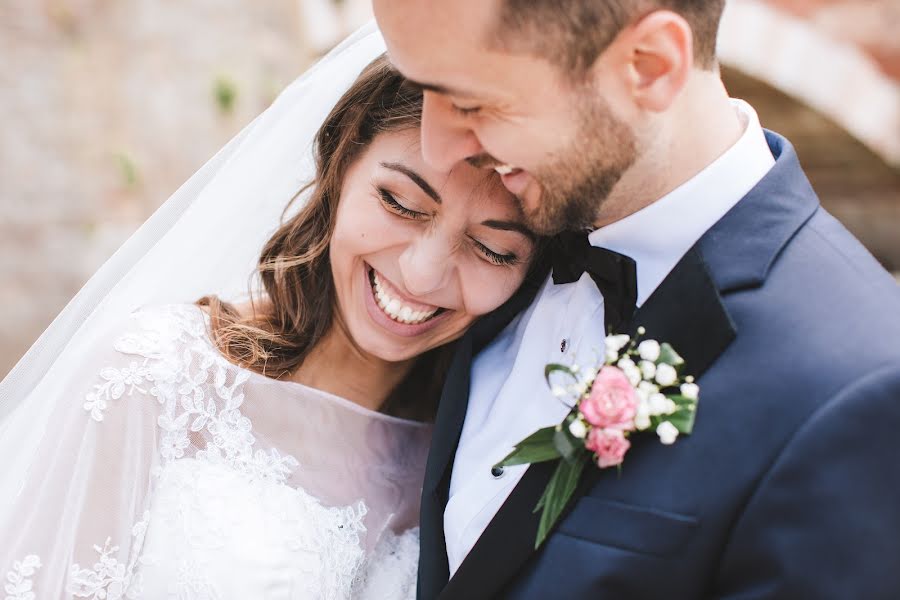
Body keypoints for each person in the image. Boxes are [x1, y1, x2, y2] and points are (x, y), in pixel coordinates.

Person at [372, 1, 900, 598]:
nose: (438, 150)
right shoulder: (497, 244)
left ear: (649, 65)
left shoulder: (858, 389)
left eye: (472, 105)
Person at [0, 54, 542, 598]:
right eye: (399, 202)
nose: (422, 276)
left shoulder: (476, 459)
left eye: (492, 251)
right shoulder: (155, 377)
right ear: (341, 166)